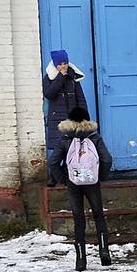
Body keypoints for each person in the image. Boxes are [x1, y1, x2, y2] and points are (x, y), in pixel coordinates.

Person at [47, 107, 113, 271]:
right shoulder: (95, 138)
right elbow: (107, 159)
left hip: (73, 183)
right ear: (87, 120)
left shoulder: (65, 139)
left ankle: (81, 260)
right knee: (98, 214)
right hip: (92, 182)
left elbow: (53, 163)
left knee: (78, 219)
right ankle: (104, 251)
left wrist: (64, 180)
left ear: (70, 121)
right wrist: (101, 176)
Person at [42, 50, 90, 186]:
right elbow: (50, 94)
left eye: (65, 63)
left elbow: (80, 98)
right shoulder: (49, 78)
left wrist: (84, 117)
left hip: (72, 119)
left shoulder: (73, 79)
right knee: (58, 151)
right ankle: (53, 177)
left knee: (71, 149)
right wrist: (60, 78)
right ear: (55, 65)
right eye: (60, 64)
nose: (63, 66)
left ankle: (66, 176)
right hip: (57, 120)